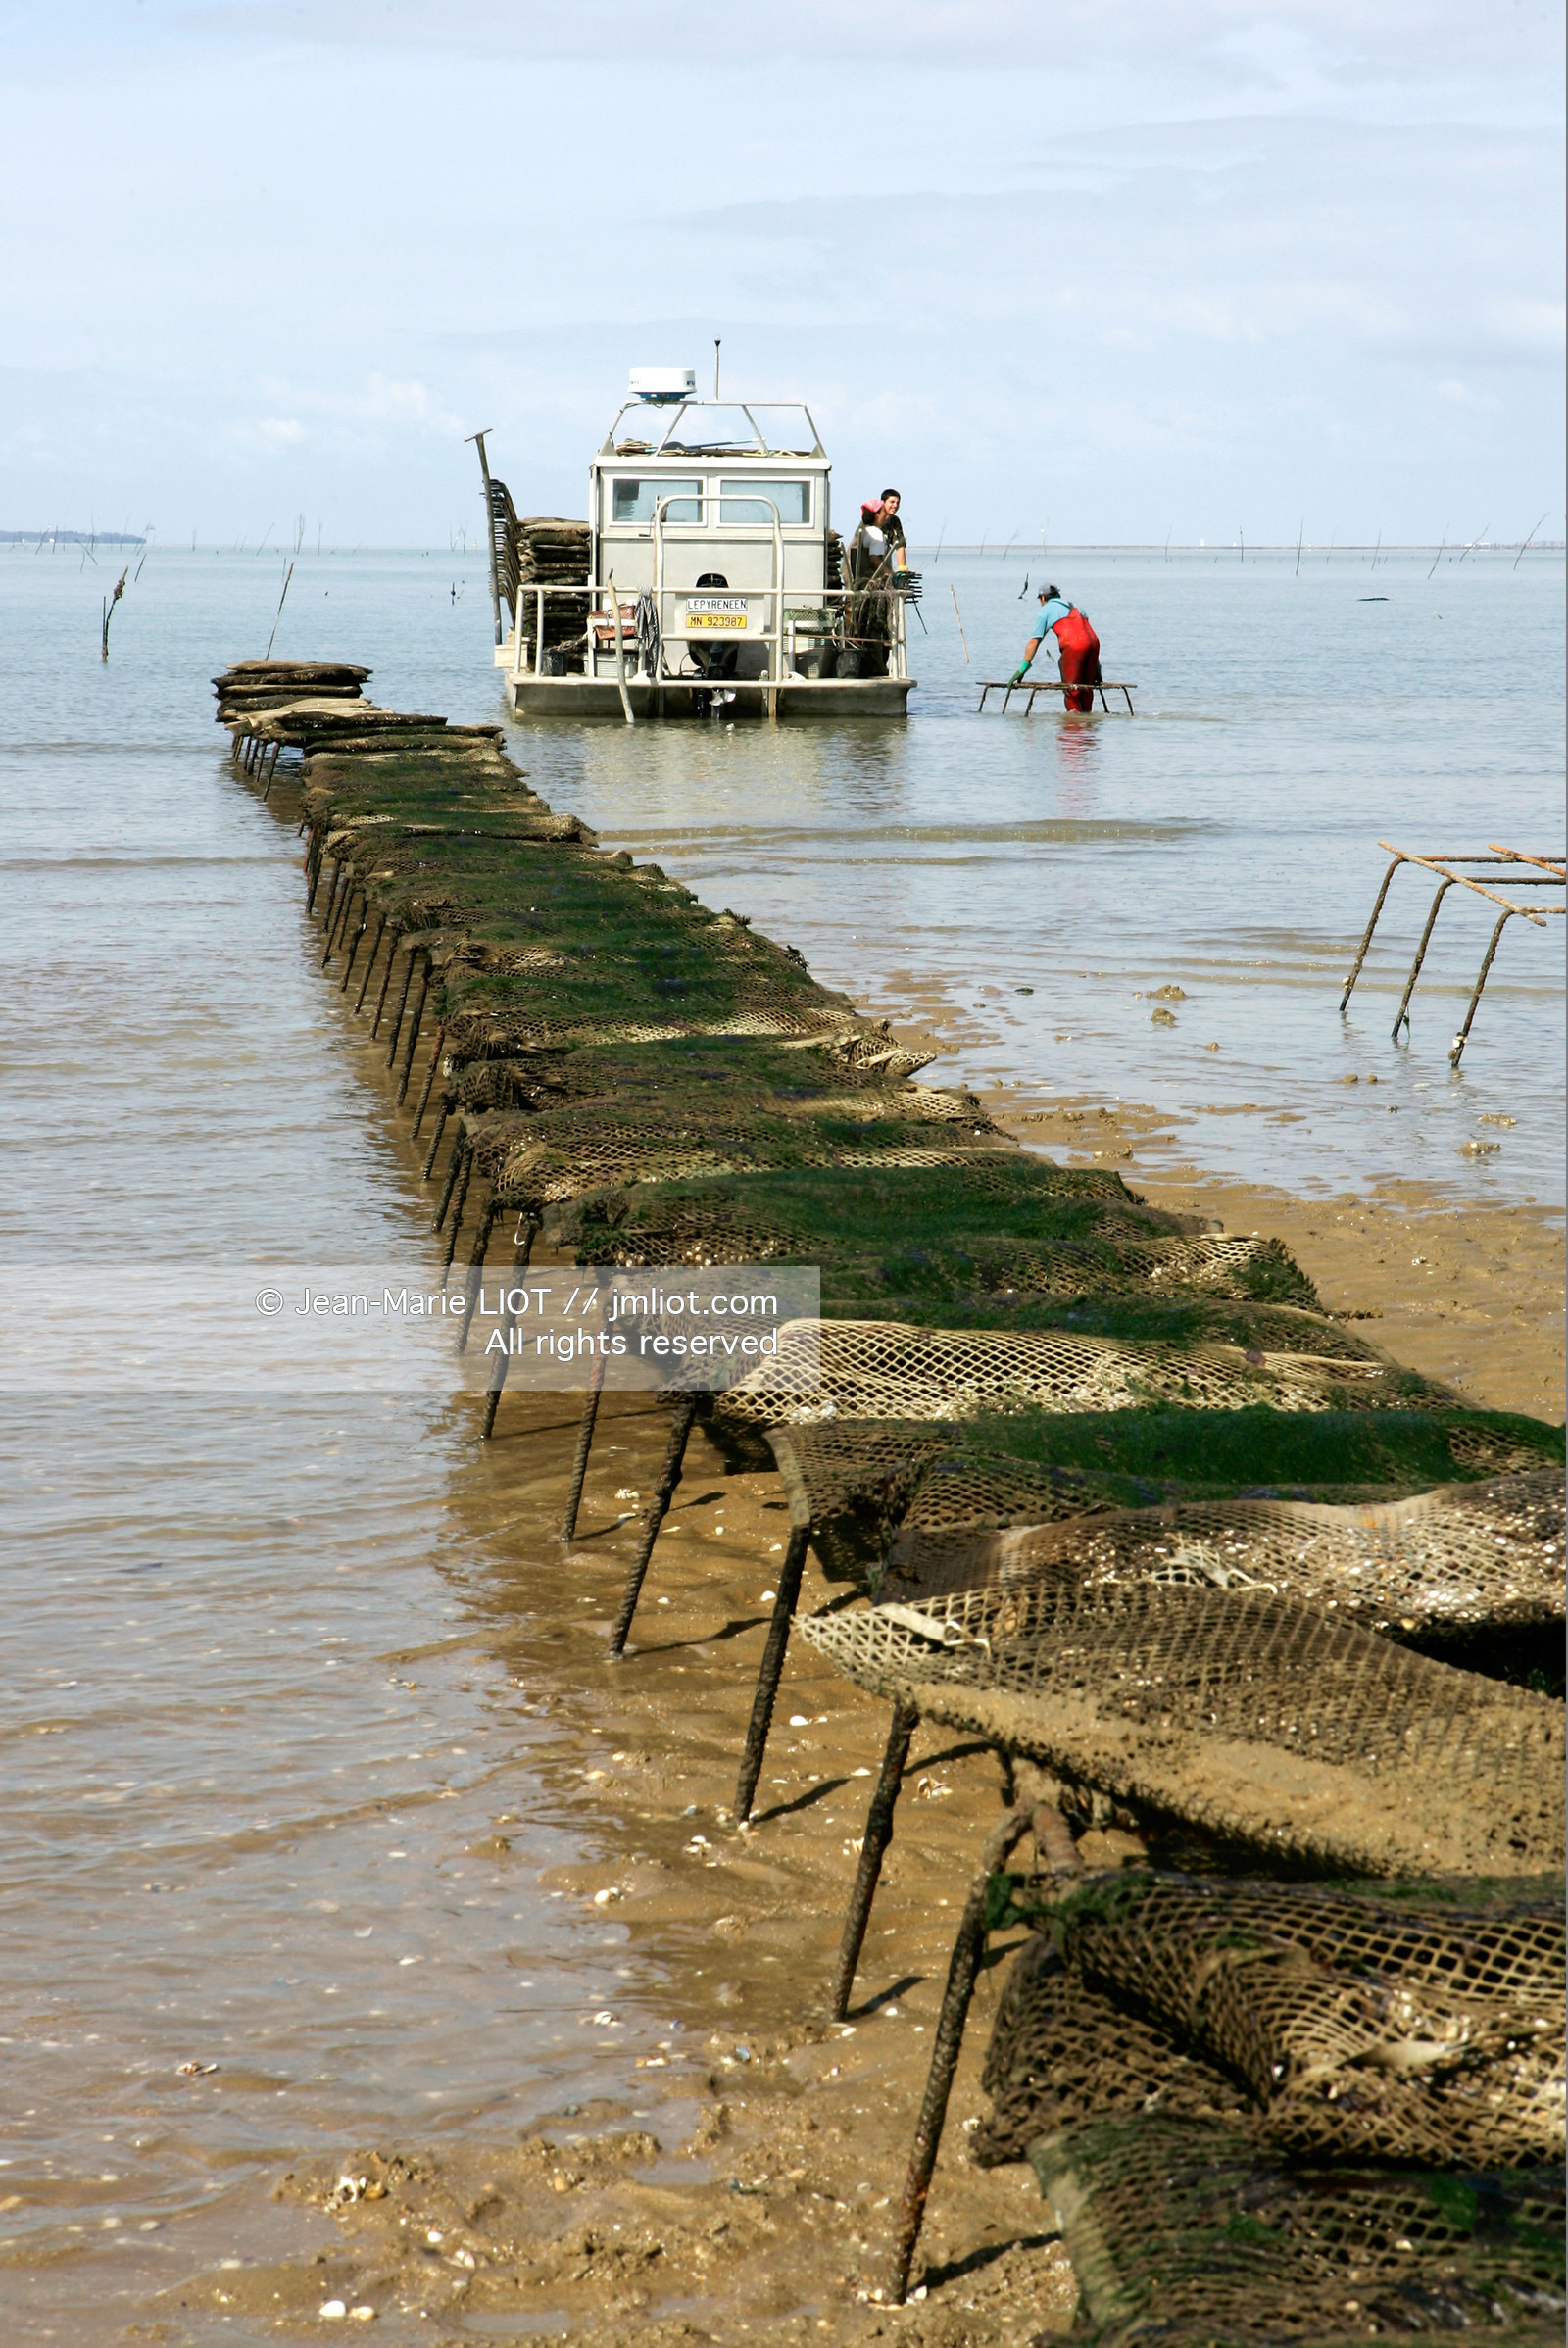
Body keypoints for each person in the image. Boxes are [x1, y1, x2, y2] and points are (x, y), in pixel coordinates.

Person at [1011, 585, 1102, 711]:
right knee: (1086, 689)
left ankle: (1073, 726)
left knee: (1072, 691)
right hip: (1094, 644)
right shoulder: (1077, 608)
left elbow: (1034, 641)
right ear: (1058, 596)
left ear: (1042, 598)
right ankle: (1087, 724)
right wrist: (1097, 670)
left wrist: (1022, 669)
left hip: (1074, 646)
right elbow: (1087, 639)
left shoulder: (1045, 611)